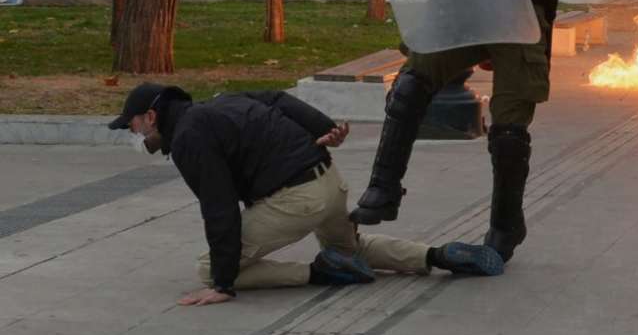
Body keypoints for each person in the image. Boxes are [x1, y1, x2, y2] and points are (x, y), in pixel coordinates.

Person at [107, 83, 501, 306]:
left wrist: (222, 284)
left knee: (208, 267)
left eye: (134, 125)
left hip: (297, 199)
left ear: (153, 117)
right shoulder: (222, 101)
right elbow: (278, 97)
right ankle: (437, 255)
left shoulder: (191, 138)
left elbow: (219, 208)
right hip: (328, 181)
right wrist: (325, 126)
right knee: (353, 250)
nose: (135, 132)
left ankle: (320, 272)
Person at [351, 0, 553, 265]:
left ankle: (507, 226)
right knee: (412, 82)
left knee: (509, 124)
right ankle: (383, 190)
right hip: (466, 11)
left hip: (516, 14)